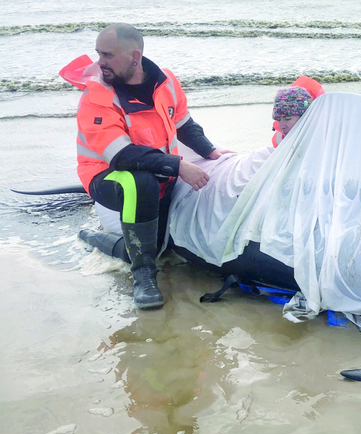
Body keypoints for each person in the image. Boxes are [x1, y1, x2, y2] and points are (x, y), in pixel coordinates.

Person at [59, 23, 233, 309]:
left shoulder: (165, 82)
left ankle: (111, 244)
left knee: (158, 246)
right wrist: (179, 166)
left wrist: (211, 151)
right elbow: (121, 156)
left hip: (159, 171)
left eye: (108, 55)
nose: (99, 63)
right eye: (98, 54)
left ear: (134, 56)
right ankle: (143, 276)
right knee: (140, 182)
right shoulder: (97, 97)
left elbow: (184, 124)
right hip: (107, 175)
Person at [271, 76, 324, 147]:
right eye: (278, 120)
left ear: (305, 117)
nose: (281, 126)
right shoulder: (279, 140)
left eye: (287, 119)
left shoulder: (326, 138)